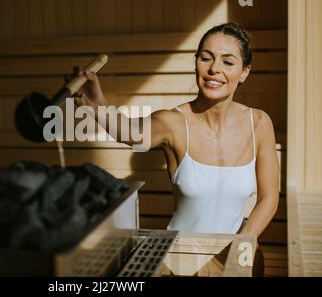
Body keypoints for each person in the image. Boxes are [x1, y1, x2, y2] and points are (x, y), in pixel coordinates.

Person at [68, 22, 279, 275]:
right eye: (206, 58)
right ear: (196, 63)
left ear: (244, 72)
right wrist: (97, 104)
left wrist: (240, 247)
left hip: (237, 252)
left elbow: (269, 199)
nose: (214, 69)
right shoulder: (174, 123)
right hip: (180, 260)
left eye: (228, 62)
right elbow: (131, 134)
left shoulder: (258, 123)